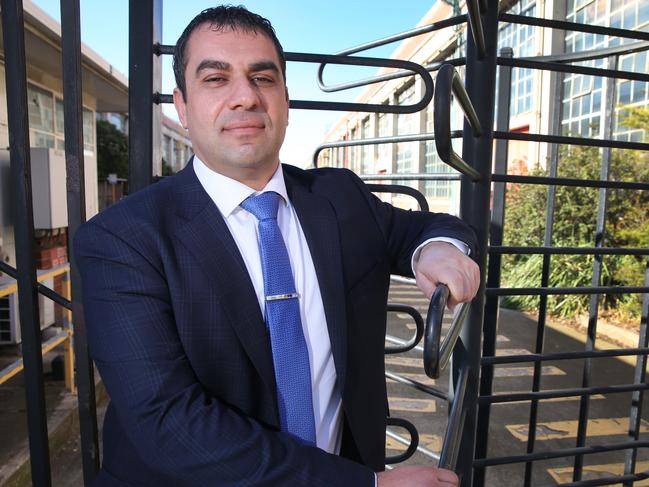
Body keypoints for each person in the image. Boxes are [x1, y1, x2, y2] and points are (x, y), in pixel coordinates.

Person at [74, 5, 480, 486]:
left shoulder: (338, 197)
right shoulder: (122, 239)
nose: (245, 97)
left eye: (263, 78)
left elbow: (425, 228)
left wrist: (433, 247)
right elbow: (167, 421)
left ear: (285, 98)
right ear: (182, 107)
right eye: (216, 79)